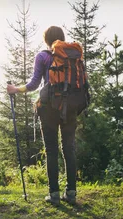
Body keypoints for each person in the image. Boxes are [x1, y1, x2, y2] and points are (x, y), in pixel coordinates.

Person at [7, 26, 86, 205]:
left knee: (51, 150)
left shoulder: (43, 56)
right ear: (62, 39)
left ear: (46, 40)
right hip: (71, 107)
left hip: (49, 107)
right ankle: (71, 193)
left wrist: (15, 89)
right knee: (69, 148)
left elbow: (34, 84)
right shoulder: (73, 57)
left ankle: (54, 194)